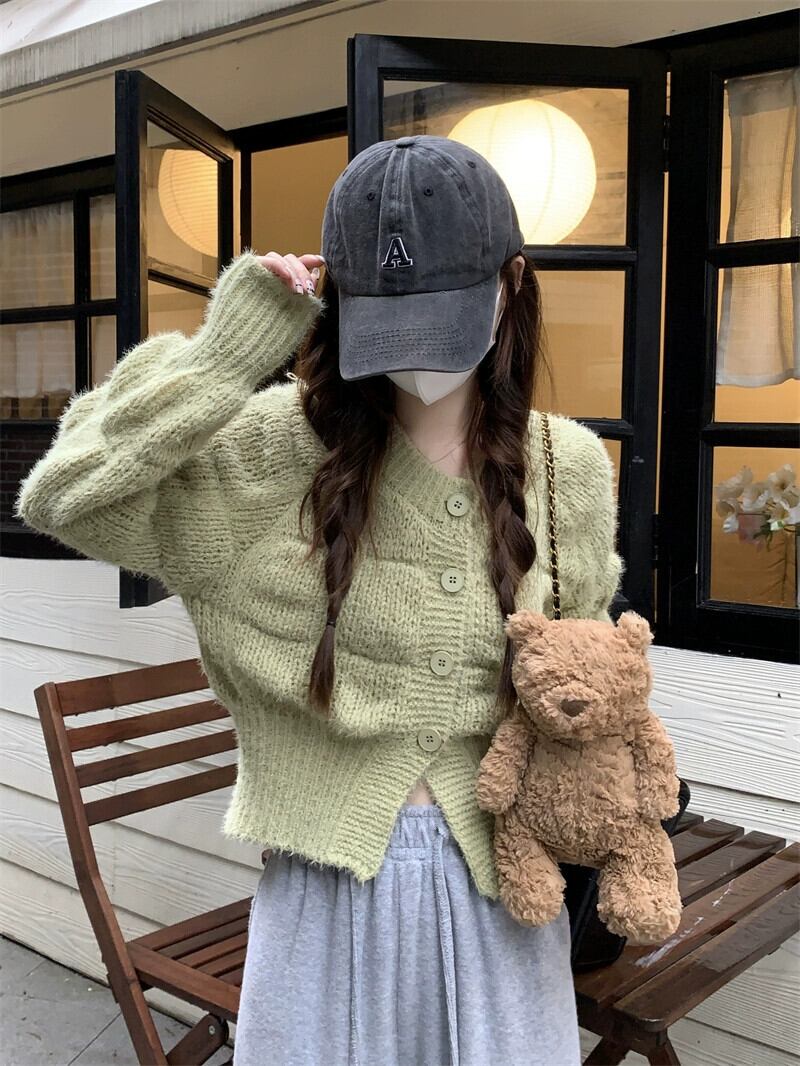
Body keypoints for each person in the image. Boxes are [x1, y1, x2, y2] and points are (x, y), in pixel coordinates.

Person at [15, 135, 624, 1066]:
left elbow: (583, 674)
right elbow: (65, 496)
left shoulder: (565, 464)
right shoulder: (270, 451)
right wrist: (225, 357)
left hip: (507, 886)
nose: (416, 361)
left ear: (511, 284)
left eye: (439, 318)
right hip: (325, 890)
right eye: (389, 322)